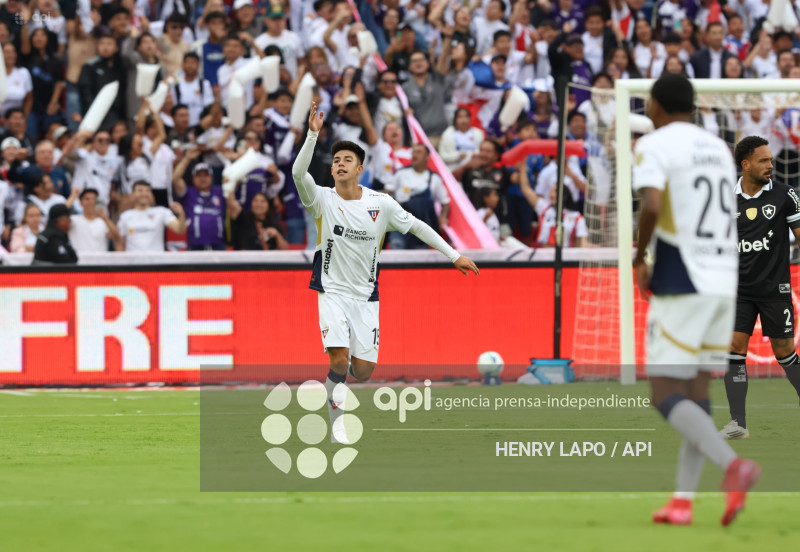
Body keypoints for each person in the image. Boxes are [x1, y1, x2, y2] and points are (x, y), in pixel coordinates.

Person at [291, 101, 479, 444]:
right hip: (331, 292)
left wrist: (454, 255)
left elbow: (419, 227)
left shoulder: (382, 204)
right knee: (338, 359)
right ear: (331, 171)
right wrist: (312, 135)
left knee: (362, 372)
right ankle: (337, 427)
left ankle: (343, 378)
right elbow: (297, 174)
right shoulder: (321, 199)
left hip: (366, 298)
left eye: (347, 159)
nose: (340, 164)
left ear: (360, 168)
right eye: (335, 161)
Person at [632, 74, 759, 527]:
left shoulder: (656, 143)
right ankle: (682, 501)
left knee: (664, 390)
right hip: (724, 278)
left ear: (657, 105)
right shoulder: (717, 148)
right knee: (698, 394)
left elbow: (651, 204)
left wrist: (639, 255)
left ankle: (733, 466)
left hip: (681, 275)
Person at [721, 136, 800, 440]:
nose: (771, 165)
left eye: (770, 159)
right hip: (738, 290)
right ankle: (738, 423)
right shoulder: (725, 198)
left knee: (785, 353)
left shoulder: (785, 194)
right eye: (763, 160)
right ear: (746, 164)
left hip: (774, 288)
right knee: (734, 349)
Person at [388, 143, 450, 249]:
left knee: (421, 256)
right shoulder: (400, 173)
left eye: (419, 152)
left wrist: (443, 218)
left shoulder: (434, 178)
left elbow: (445, 203)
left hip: (422, 227)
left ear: (427, 157)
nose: (415, 155)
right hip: (401, 222)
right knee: (396, 245)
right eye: (413, 152)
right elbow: (387, 193)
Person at [172, 157, 227, 251]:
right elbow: (175, 178)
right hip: (195, 245)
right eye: (198, 175)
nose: (203, 178)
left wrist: (227, 159)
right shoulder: (188, 193)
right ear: (193, 178)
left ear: (211, 177)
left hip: (218, 244)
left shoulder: (220, 191)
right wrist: (187, 158)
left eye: (206, 175)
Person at [116, 181, 186, 252]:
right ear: (133, 194)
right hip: (133, 261)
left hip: (156, 261)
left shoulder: (161, 212)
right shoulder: (125, 216)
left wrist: (181, 214)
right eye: (140, 190)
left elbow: (180, 230)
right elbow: (120, 243)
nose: (144, 194)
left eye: (147, 191)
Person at [69, 188, 120, 252]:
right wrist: (72, 197)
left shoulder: (103, 222)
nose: (91, 202)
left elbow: (117, 236)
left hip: (99, 261)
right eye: (87, 199)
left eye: (94, 199)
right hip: (80, 261)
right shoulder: (74, 220)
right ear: (81, 203)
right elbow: (59, 213)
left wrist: (105, 218)